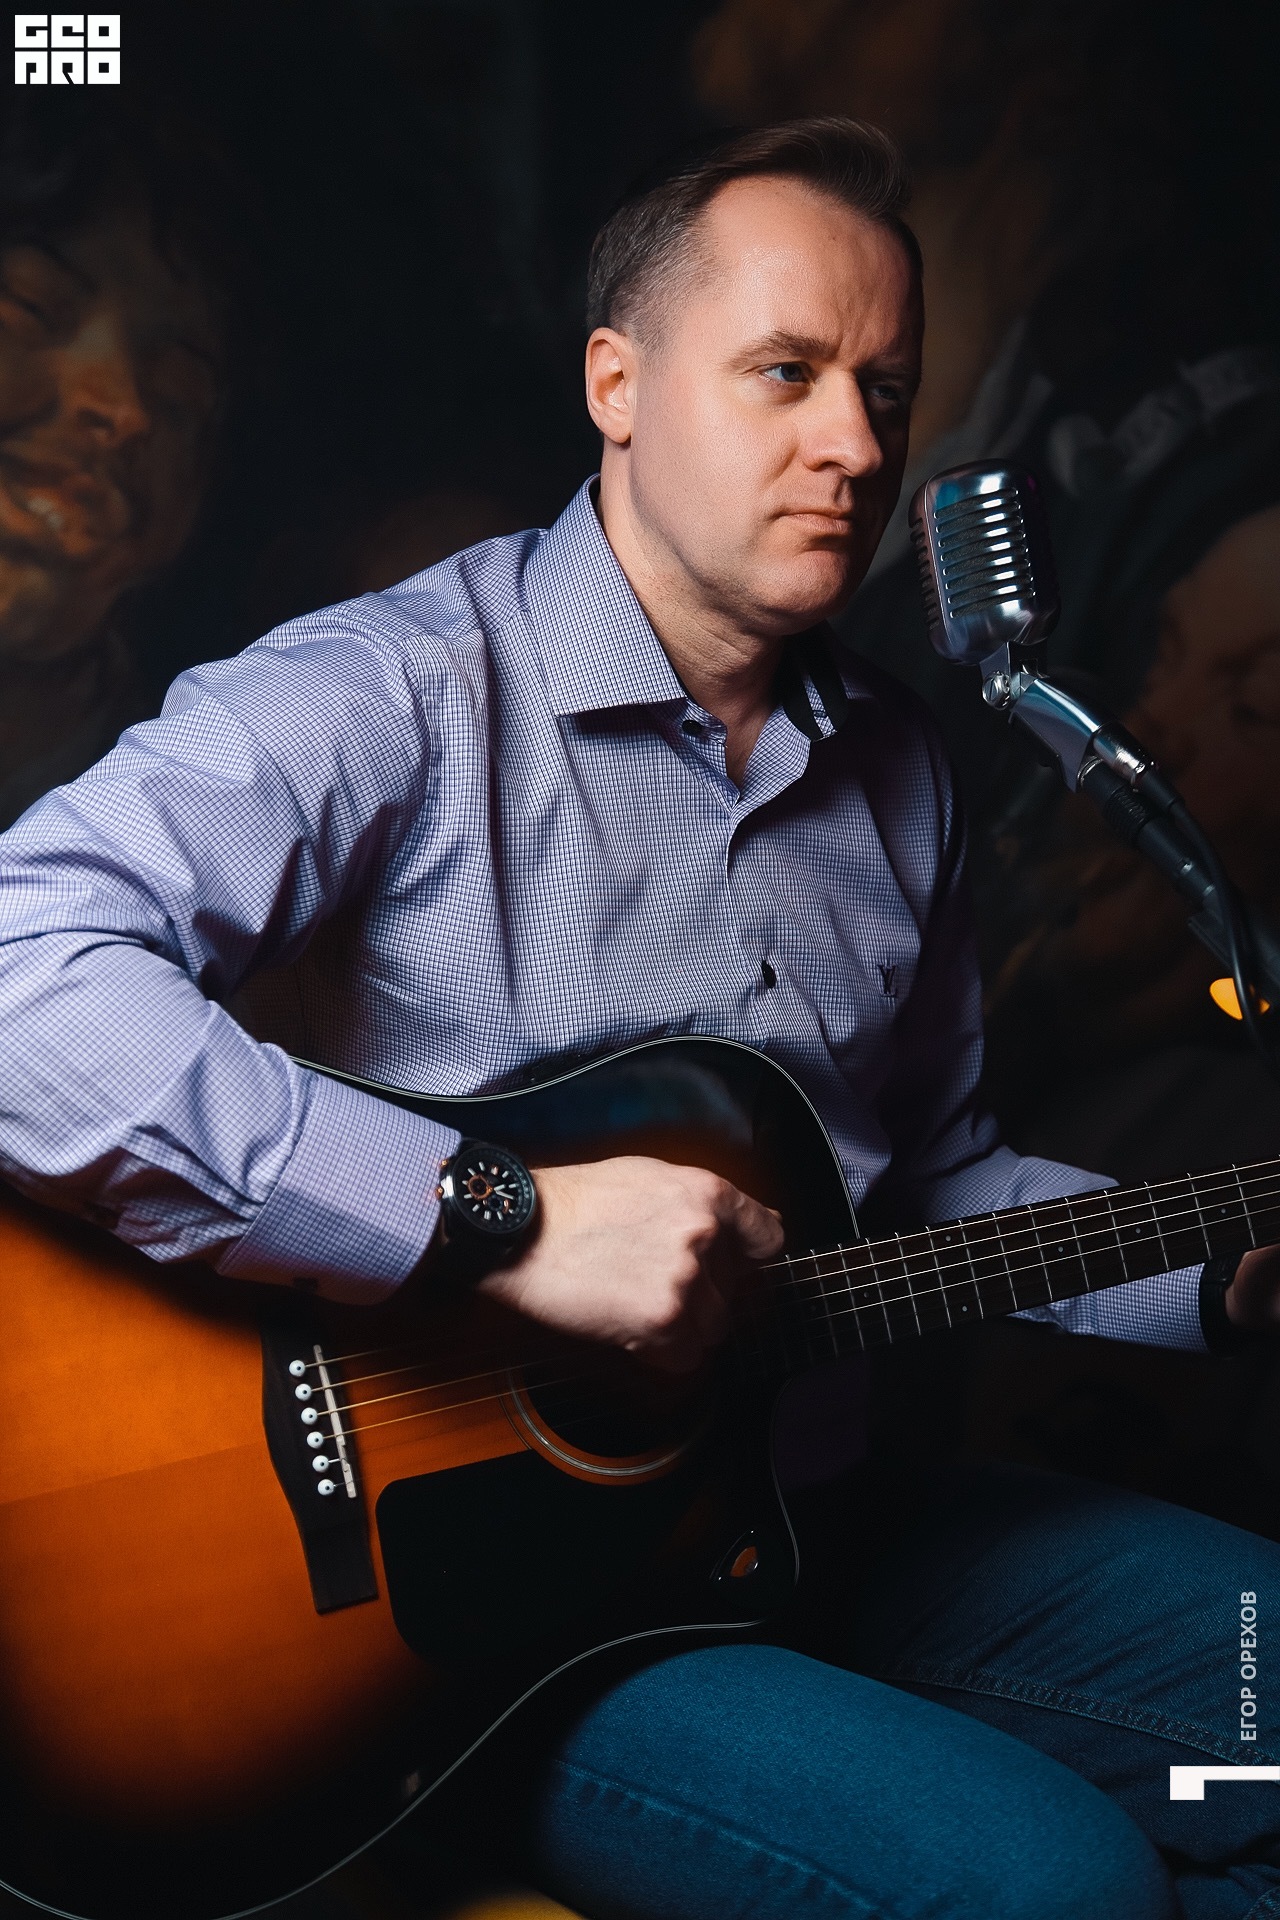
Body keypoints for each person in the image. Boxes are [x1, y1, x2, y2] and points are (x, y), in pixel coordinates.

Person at [1, 116, 1280, 1919]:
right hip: (474, 1622)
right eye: (787, 373)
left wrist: (1218, 1277)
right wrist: (502, 1216)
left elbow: (930, 1183)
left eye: (887, 390)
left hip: (804, 1520)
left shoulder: (907, 768)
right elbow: (24, 964)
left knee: (1269, 1724)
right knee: (1053, 1885)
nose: (859, 446)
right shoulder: (395, 691)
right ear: (618, 383)